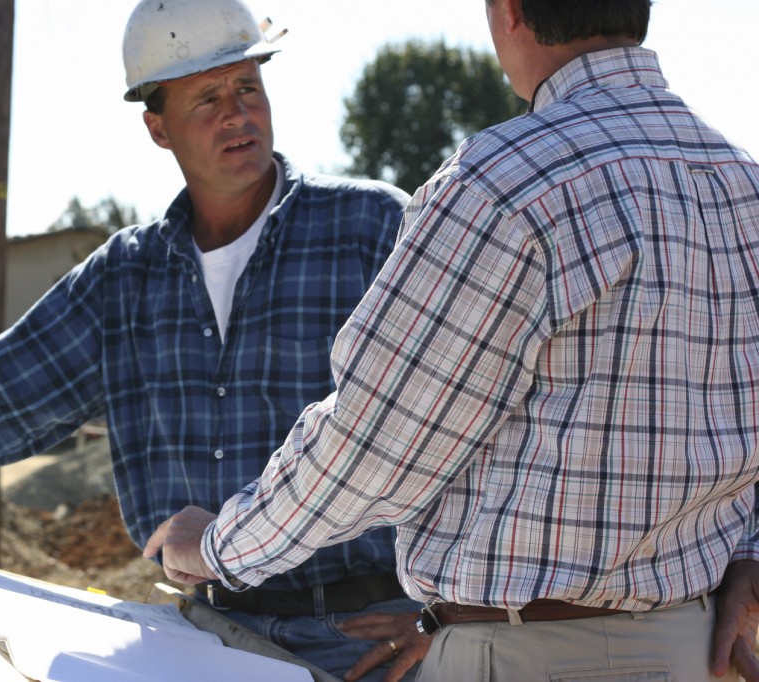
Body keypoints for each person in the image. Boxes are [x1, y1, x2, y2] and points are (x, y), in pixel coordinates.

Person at [0, 1, 423, 680]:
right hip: (205, 636)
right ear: (157, 127)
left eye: (248, 86)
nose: (238, 114)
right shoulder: (125, 280)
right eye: (207, 97)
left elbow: (477, 419)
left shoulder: (372, 230)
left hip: (367, 638)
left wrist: (443, 614)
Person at [147, 0, 759, 679]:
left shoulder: (506, 183)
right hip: (696, 650)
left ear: (509, 12)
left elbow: (374, 447)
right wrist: (751, 555)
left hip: (533, 656)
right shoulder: (741, 183)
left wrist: (215, 547)